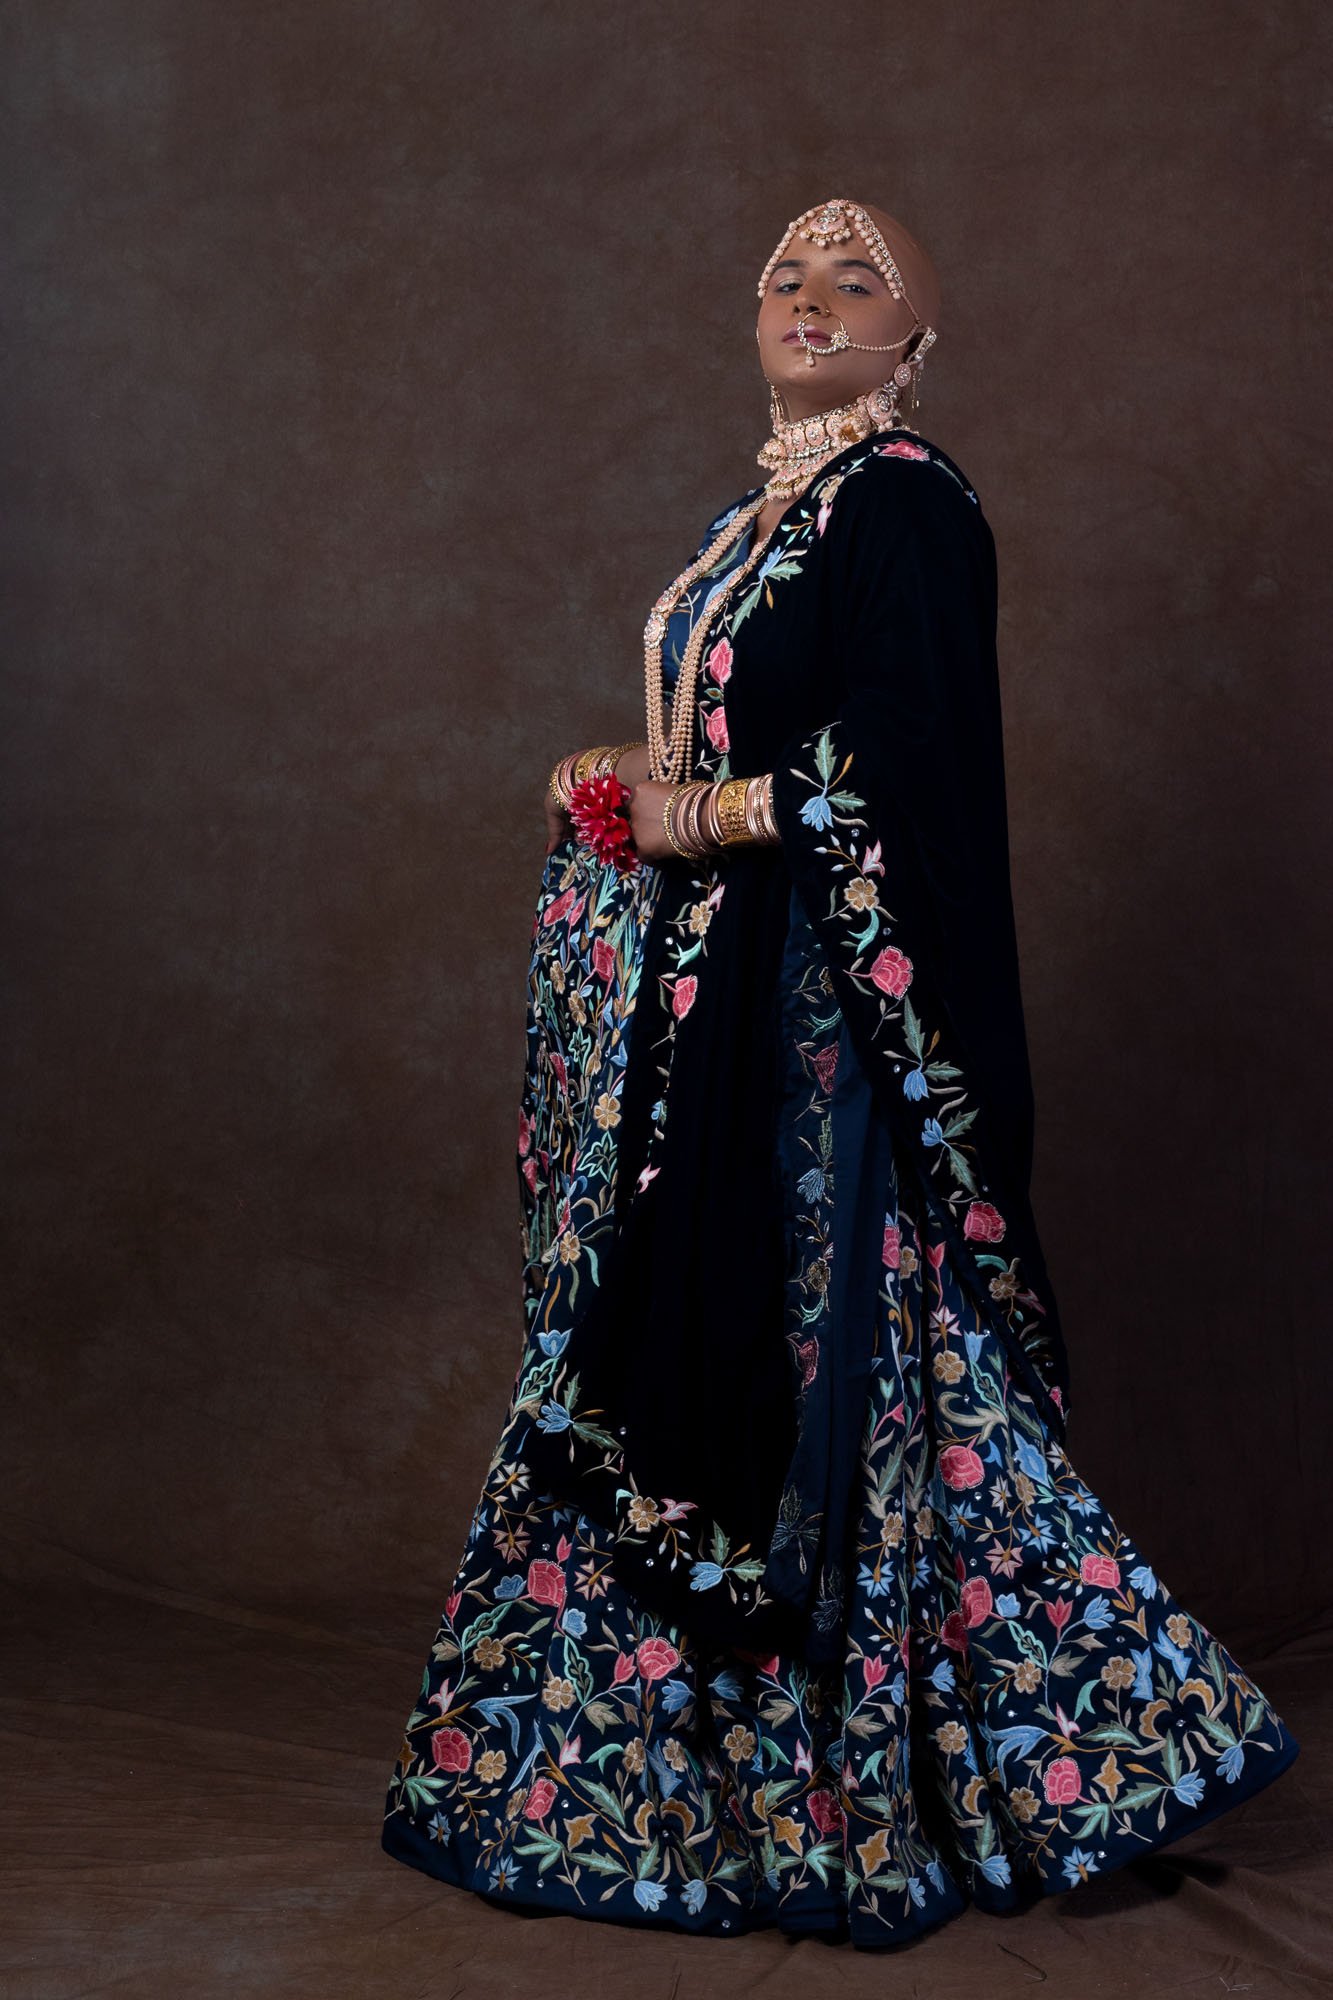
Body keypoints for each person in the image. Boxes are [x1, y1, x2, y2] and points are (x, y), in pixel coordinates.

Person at [379, 198, 1300, 1948]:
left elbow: (903, 759)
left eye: (853, 281)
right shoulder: (752, 520)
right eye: (782, 279)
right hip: (721, 1007)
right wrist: (623, 778)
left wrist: (701, 814)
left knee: (841, 1359)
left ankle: (962, 1767)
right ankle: (682, 1782)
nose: (808, 300)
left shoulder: (906, 502)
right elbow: (720, 743)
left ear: (914, 340)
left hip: (826, 1034)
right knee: (699, 1338)